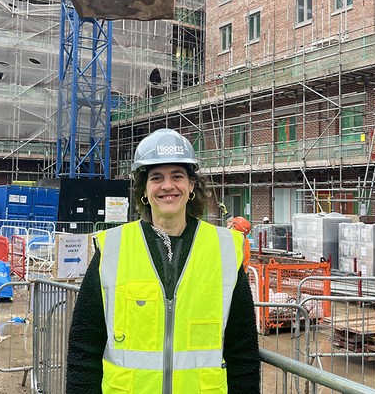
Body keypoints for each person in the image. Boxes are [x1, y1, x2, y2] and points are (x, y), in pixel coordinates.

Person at [66, 128, 260, 393]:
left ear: (192, 186)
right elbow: (84, 347)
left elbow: (243, 351)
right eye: (156, 177)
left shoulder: (225, 248)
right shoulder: (112, 248)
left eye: (177, 176)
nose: (168, 185)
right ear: (144, 190)